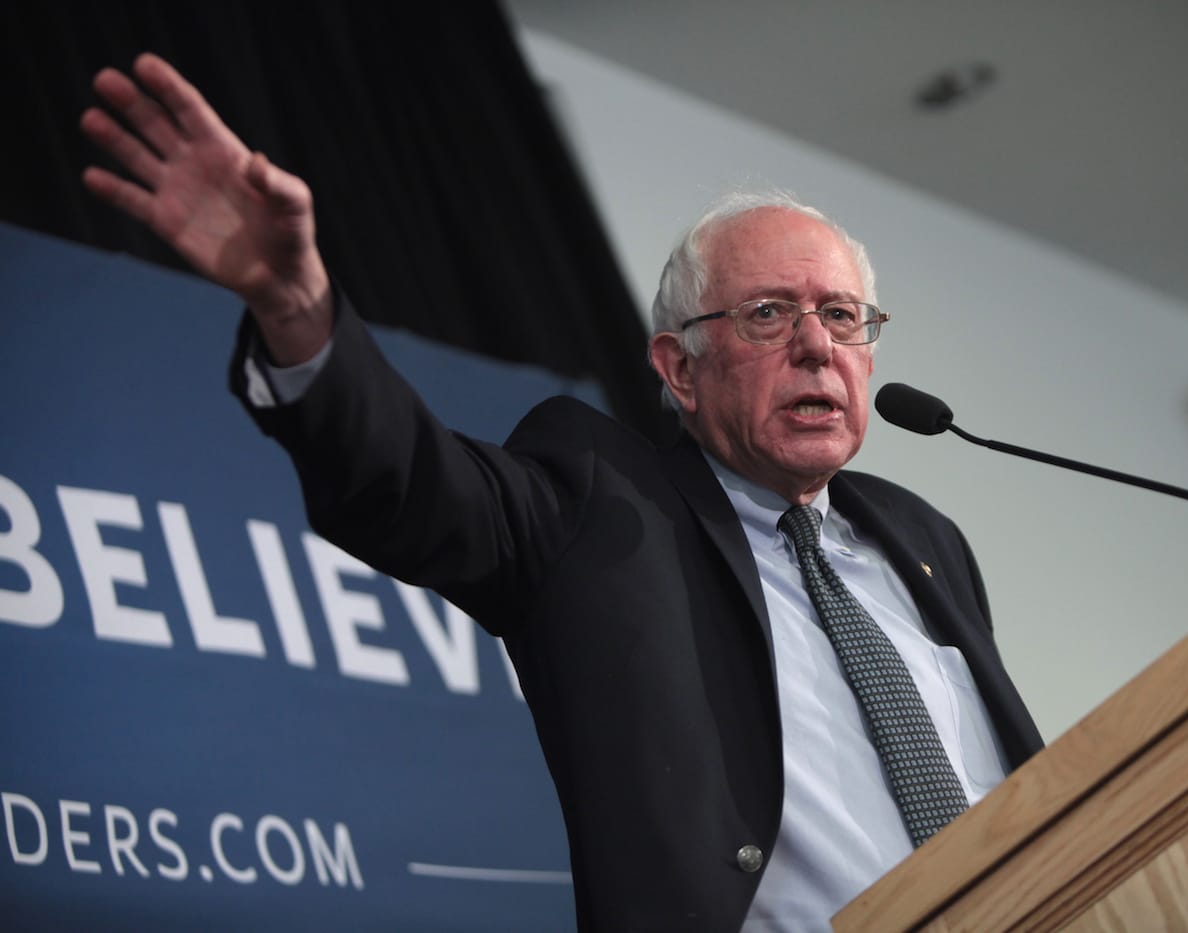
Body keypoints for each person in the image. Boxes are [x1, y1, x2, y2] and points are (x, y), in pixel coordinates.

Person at [82, 53, 1043, 931]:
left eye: (841, 315)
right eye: (767, 313)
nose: (817, 346)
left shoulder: (921, 537)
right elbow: (410, 482)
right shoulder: (602, 508)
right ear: (679, 368)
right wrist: (297, 309)